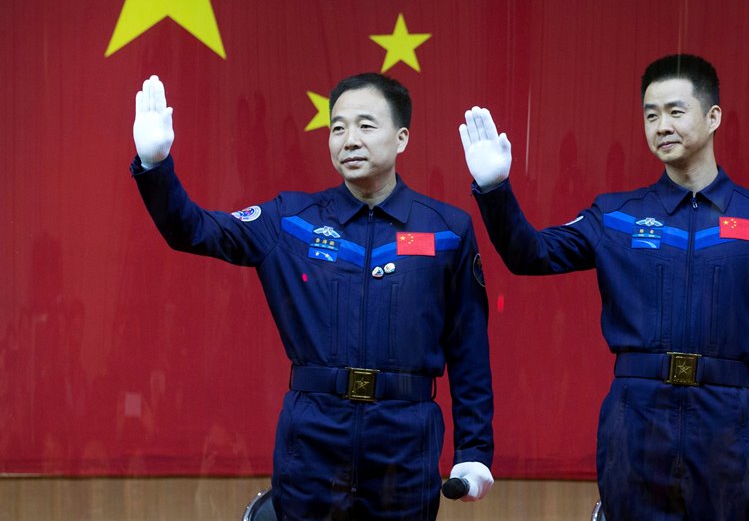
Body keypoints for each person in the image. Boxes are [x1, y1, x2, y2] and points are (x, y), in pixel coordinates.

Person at [132, 73, 494, 520]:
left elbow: (469, 349)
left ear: (402, 138)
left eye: (366, 125)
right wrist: (155, 168)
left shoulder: (447, 230)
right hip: (314, 434)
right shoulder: (292, 220)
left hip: (405, 435)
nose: (349, 140)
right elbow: (194, 230)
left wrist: (474, 449)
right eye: (338, 127)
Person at [459, 54, 749, 520]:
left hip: (728, 422)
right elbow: (530, 255)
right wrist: (495, 189)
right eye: (650, 114)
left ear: (713, 116)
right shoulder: (616, 216)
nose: (661, 125)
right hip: (636, 417)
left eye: (675, 111)